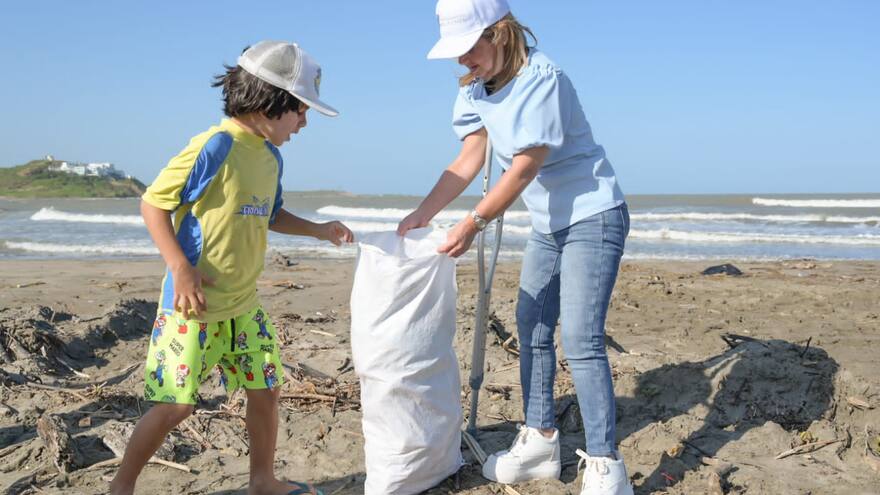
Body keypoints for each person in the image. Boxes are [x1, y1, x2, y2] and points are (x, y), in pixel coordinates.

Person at [398, 1, 633, 494]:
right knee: (532, 325)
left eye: (468, 49)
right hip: (548, 224)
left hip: (593, 214)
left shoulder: (543, 78)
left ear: (499, 34)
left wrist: (473, 223)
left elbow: (524, 167)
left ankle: (606, 465)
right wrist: (423, 212)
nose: (462, 61)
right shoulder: (476, 88)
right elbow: (470, 158)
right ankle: (542, 440)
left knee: (582, 340)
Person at [109, 41, 351, 495]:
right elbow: (153, 204)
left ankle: (263, 481)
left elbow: (272, 214)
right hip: (192, 308)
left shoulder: (270, 158)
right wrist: (180, 268)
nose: (304, 121)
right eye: (300, 110)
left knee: (265, 390)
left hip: (244, 305)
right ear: (270, 101)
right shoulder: (215, 146)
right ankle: (122, 486)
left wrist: (319, 230)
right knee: (174, 407)